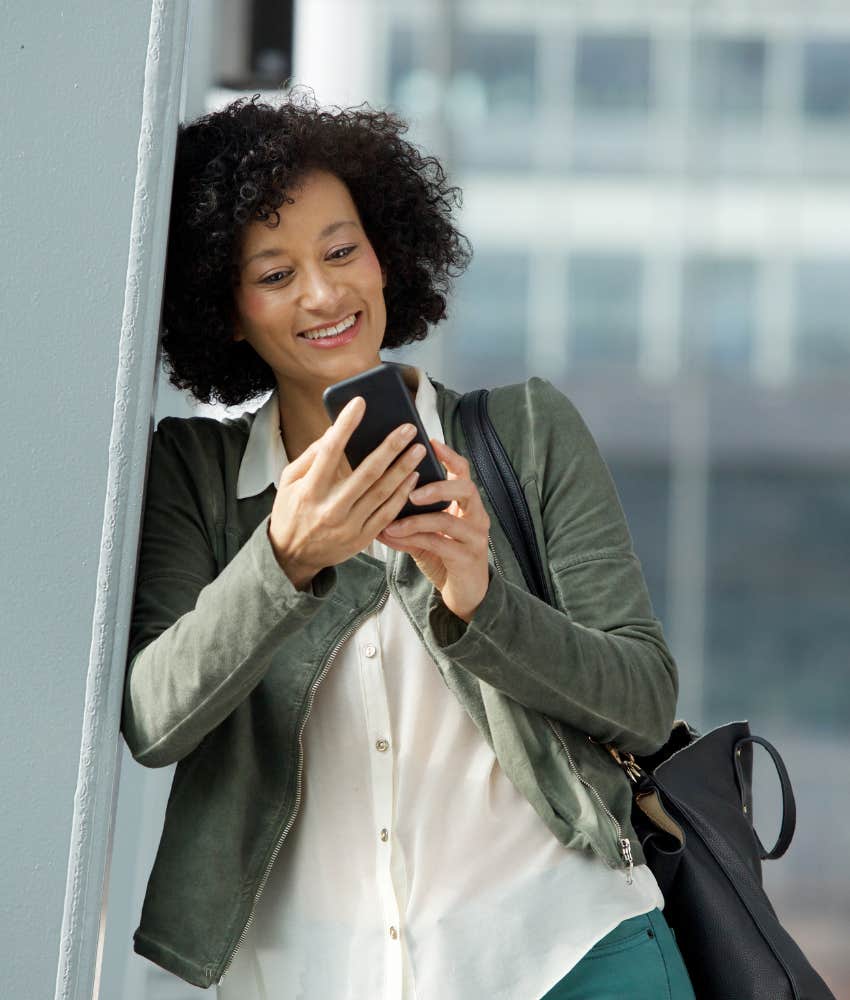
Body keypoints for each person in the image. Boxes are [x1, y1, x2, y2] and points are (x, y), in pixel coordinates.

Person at [123, 94, 695, 1000]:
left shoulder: (528, 432)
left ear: (387, 255)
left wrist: (483, 599)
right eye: (275, 275)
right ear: (226, 310)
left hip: (568, 951)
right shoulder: (193, 474)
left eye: (343, 250)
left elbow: (644, 699)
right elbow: (152, 720)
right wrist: (282, 557)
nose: (324, 293)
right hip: (310, 973)